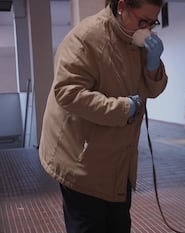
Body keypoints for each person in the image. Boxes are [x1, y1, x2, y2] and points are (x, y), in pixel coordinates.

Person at [38, 0, 167, 232]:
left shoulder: (136, 41)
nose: (147, 29)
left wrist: (152, 67)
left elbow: (153, 90)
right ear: (122, 6)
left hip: (118, 161)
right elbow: (67, 93)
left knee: (118, 224)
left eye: (153, 21)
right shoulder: (85, 38)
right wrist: (124, 108)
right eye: (143, 20)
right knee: (89, 225)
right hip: (81, 161)